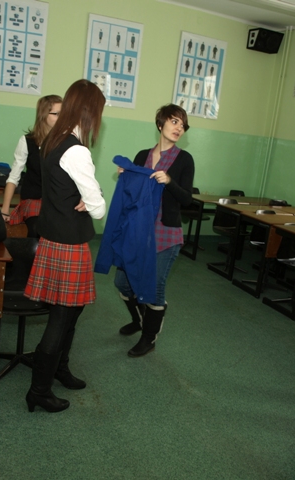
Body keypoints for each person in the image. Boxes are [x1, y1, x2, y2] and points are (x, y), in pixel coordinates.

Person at [23, 80, 106, 413]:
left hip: (55, 237)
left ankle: (59, 368)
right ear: (89, 111)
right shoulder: (77, 151)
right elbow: (98, 208)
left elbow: (68, 190)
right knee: (61, 318)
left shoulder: (52, 141)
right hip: (68, 243)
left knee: (73, 311)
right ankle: (39, 391)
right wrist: (94, 199)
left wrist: (88, 196)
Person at [112, 104, 194, 357]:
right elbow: (133, 192)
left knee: (154, 287)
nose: (179, 128)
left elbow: (187, 199)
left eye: (183, 125)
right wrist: (126, 175)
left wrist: (169, 181)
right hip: (138, 230)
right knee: (122, 282)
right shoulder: (142, 156)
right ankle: (139, 320)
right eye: (174, 121)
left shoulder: (184, 159)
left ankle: (149, 337)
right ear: (160, 124)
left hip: (166, 233)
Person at [0, 94, 62, 237]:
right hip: (34, 198)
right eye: (57, 114)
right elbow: (14, 177)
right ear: (43, 115)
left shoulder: (67, 141)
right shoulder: (27, 141)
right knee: (37, 229)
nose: (62, 118)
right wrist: (5, 209)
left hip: (57, 200)